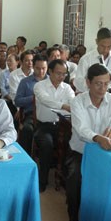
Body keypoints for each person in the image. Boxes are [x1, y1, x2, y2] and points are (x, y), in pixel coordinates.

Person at [63, 64, 111, 221]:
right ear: (88, 82)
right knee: (74, 180)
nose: (102, 89)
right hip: (80, 152)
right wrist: (98, 137)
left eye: (106, 84)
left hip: (107, 153)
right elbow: (81, 130)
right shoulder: (78, 101)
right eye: (98, 84)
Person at [34, 59, 75, 192]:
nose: (61, 77)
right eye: (58, 73)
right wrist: (63, 105)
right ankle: (42, 181)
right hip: (44, 126)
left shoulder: (67, 88)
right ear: (50, 71)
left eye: (64, 74)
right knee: (47, 145)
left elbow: (74, 102)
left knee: (73, 144)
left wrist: (73, 107)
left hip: (62, 126)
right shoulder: (40, 86)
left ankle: (65, 179)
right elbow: (45, 100)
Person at [14, 54, 48, 154]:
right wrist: (33, 98)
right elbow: (17, 101)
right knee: (26, 129)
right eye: (38, 68)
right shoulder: (25, 82)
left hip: (48, 116)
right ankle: (26, 156)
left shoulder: (51, 81)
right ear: (33, 67)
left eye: (43, 68)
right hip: (31, 115)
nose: (41, 71)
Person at [73, 27, 111, 92]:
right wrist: (95, 90)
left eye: (109, 46)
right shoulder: (86, 59)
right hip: (90, 97)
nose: (106, 50)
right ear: (96, 41)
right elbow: (79, 81)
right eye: (103, 46)